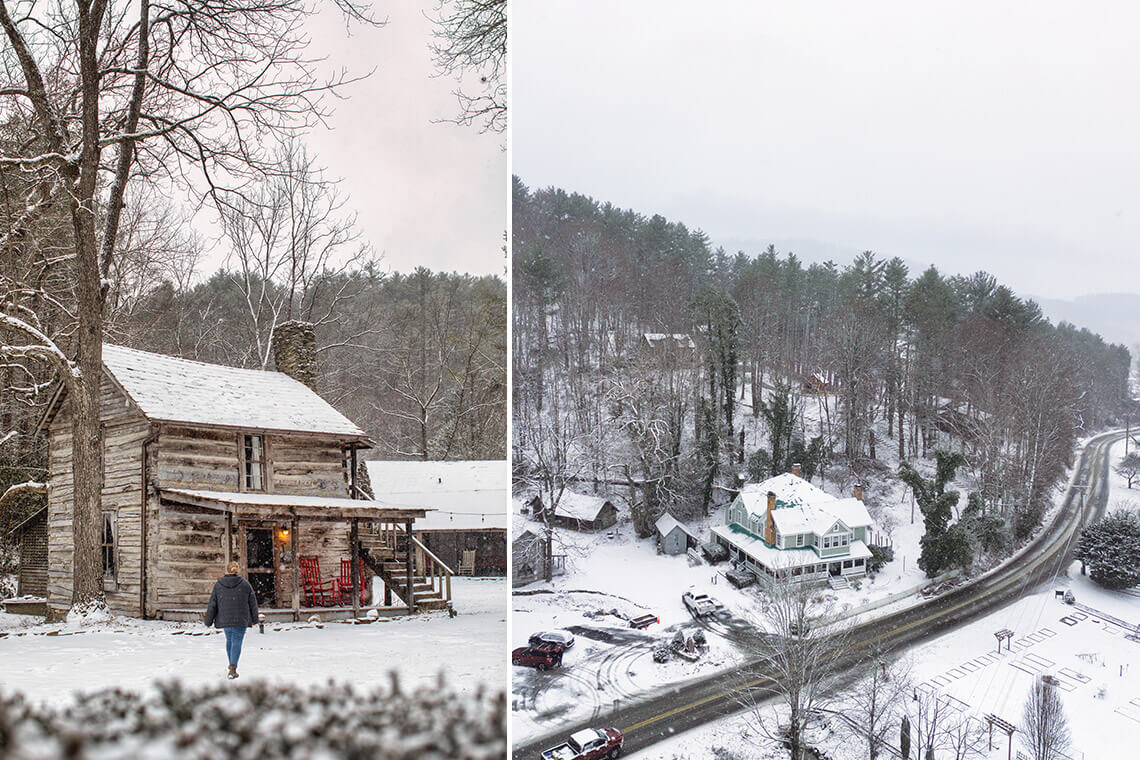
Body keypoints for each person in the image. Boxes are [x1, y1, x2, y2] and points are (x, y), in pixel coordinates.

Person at [205, 561, 259, 679]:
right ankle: (233, 667)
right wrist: (255, 618)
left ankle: (231, 666)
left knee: (230, 641)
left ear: (227, 570)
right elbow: (252, 603)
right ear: (237, 570)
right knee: (237, 641)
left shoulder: (219, 585)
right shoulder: (245, 584)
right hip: (240, 618)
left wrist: (208, 621)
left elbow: (212, 604)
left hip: (225, 618)